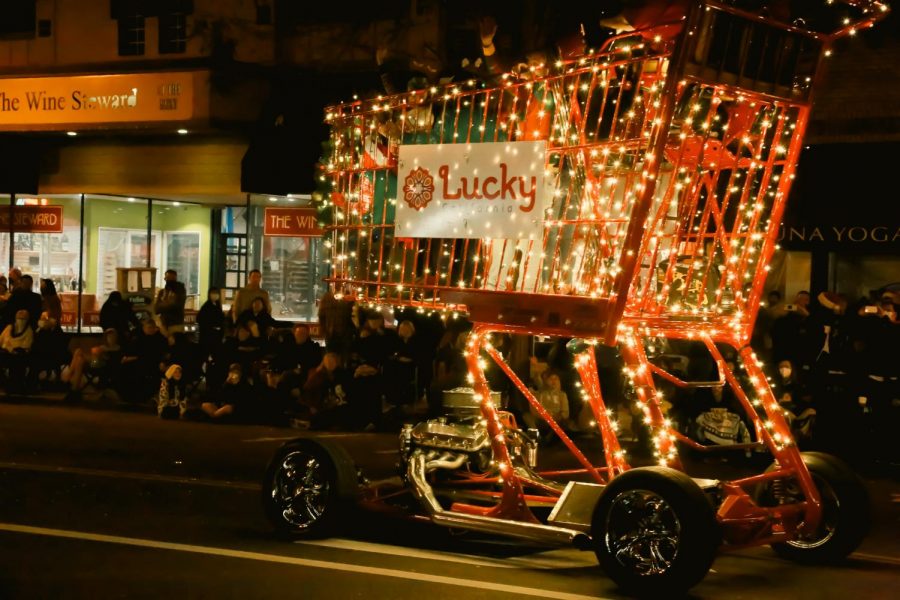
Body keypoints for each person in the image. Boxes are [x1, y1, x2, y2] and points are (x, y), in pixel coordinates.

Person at [0, 309, 33, 392]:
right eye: (19, 318)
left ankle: (15, 385)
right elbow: (2, 340)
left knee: (17, 363)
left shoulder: (29, 331)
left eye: (23, 319)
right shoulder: (9, 328)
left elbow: (27, 346)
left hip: (19, 355)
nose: (20, 321)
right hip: (6, 353)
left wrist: (16, 349)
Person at [154, 269, 187, 336]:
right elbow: (156, 309)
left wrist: (164, 304)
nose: (166, 279)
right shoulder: (162, 292)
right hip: (164, 324)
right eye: (166, 277)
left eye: (168, 278)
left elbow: (176, 306)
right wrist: (167, 303)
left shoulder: (180, 291)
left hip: (176, 324)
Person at [197, 287, 226, 358]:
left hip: (217, 336)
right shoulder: (206, 307)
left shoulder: (217, 305)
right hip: (208, 336)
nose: (215, 295)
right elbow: (200, 319)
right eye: (213, 293)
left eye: (216, 293)